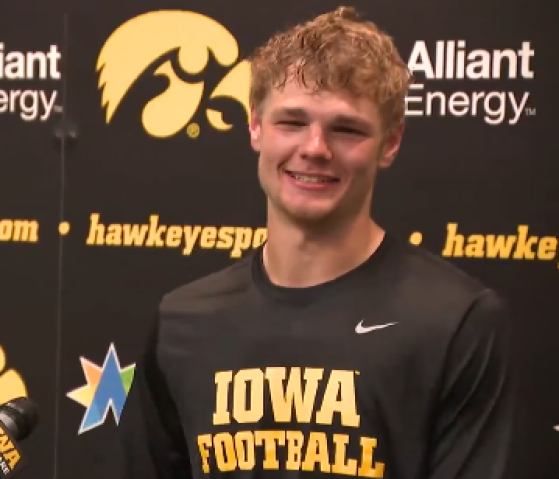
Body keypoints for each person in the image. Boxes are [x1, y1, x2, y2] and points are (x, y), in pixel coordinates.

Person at [108, 6, 516, 479]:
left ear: (390, 143)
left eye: (346, 129)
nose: (316, 147)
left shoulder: (456, 321)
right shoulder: (183, 319)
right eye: (292, 122)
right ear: (255, 127)